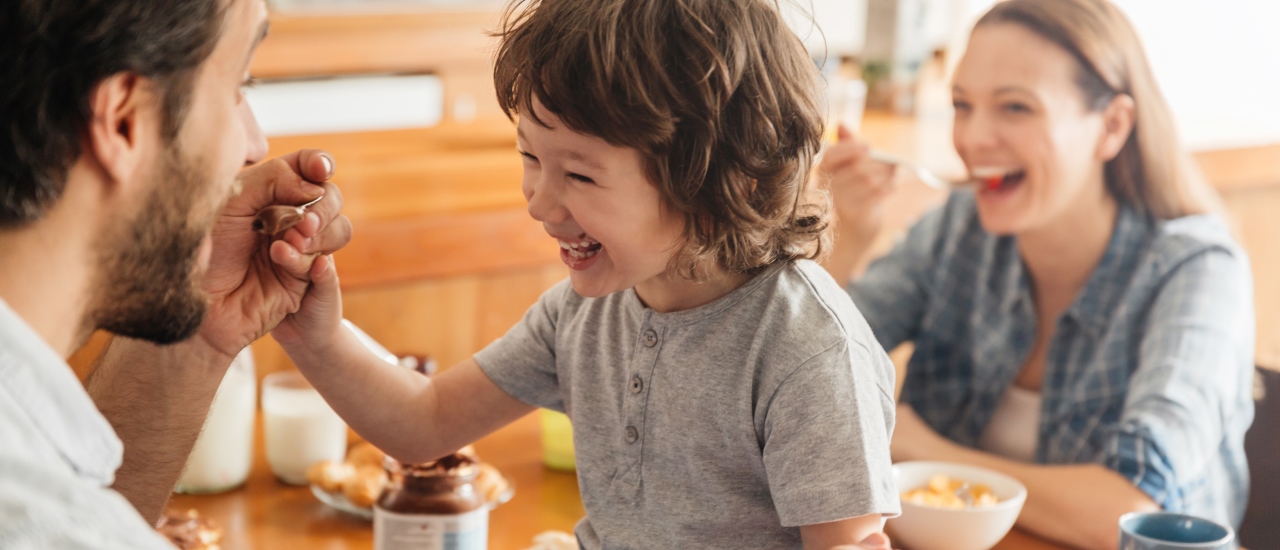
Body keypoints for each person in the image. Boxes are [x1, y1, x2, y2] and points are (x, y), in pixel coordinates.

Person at [272, 0, 899, 547]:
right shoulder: (582, 313)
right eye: (529, 157)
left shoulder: (807, 353)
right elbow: (423, 423)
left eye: (580, 175)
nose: (540, 203)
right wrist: (313, 334)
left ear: (721, 183)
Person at [821, 0, 1254, 548]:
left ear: (1112, 126)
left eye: (1016, 108)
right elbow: (798, 385)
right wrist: (841, 246)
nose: (974, 139)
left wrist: (922, 449)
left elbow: (1129, 513)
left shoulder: (1197, 272)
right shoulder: (958, 229)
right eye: (962, 104)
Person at [0, 0, 352, 546]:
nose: (254, 146)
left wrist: (202, 333)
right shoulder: (46, 526)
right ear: (123, 121)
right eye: (239, 84)